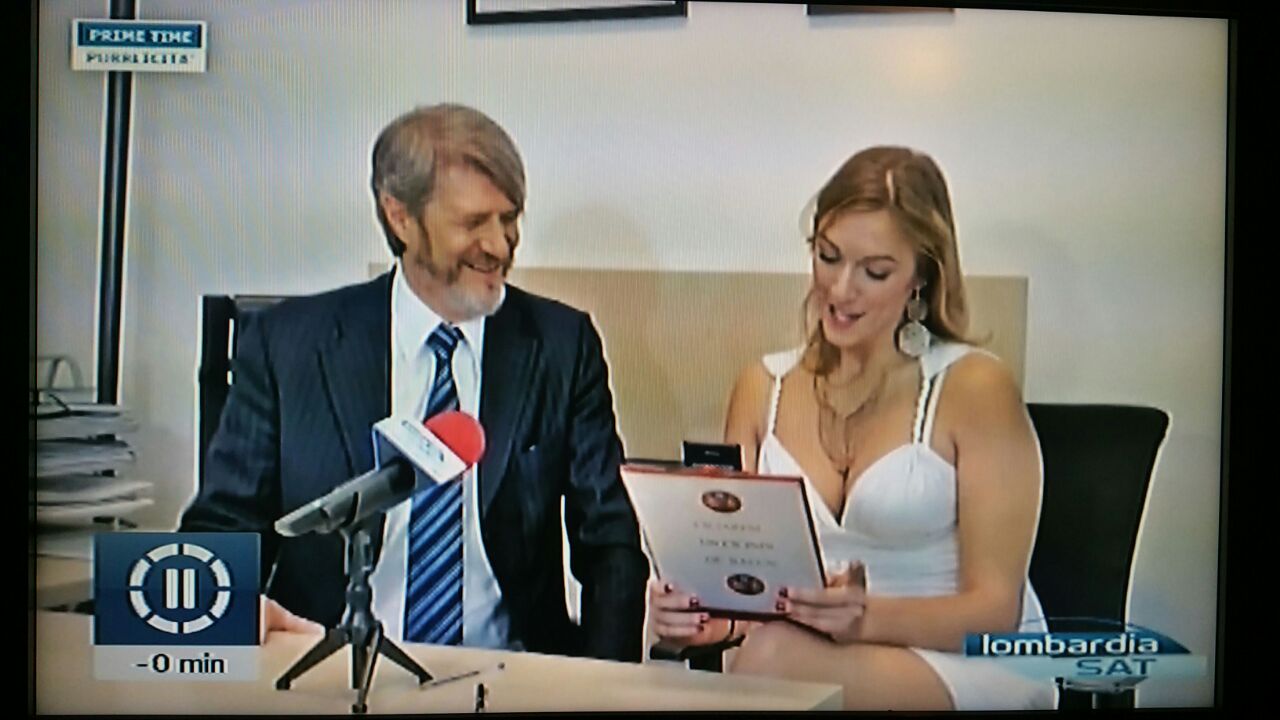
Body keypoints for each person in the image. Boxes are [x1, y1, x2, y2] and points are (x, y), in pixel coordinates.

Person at [180, 103, 649, 662]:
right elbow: (224, 527)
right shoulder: (289, 346)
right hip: (325, 668)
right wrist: (219, 620)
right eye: (474, 223)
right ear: (400, 217)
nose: (500, 245)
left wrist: (606, 688)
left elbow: (610, 544)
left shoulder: (560, 346)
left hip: (507, 673)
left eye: (509, 219)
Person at [648, 147, 1056, 710]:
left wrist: (862, 620)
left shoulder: (975, 388)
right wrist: (706, 620)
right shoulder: (761, 386)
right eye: (828, 257)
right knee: (757, 654)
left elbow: (995, 613)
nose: (841, 290)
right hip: (799, 654)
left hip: (968, 660)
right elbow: (741, 585)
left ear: (921, 276)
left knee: (772, 660)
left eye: (875, 271)